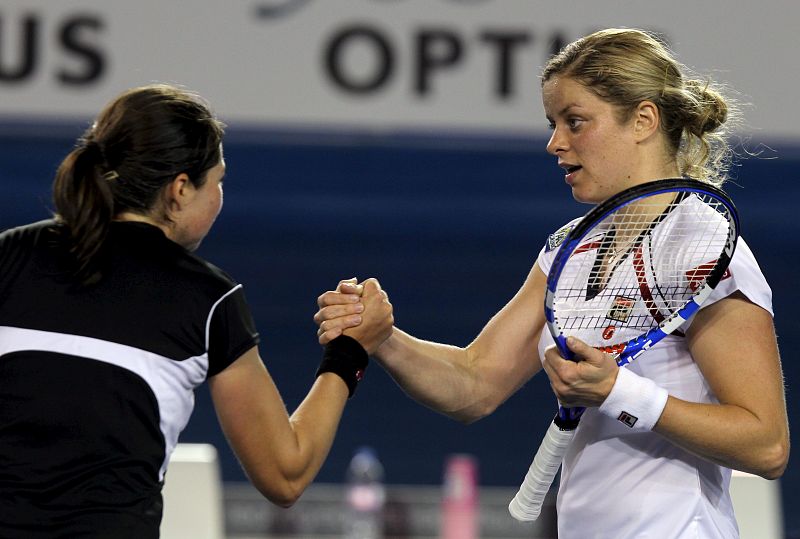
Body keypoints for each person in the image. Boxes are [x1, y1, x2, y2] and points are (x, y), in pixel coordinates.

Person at [314, 28, 790, 538]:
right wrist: (382, 336)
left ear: (643, 121)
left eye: (576, 122)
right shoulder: (571, 249)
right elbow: (473, 385)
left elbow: (766, 446)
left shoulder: (703, 249)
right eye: (553, 123)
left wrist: (619, 391)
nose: (554, 142)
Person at [0, 84, 393, 538]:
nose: (221, 197)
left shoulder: (10, 256)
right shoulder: (207, 300)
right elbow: (286, 474)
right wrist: (350, 353)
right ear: (181, 188)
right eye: (218, 181)